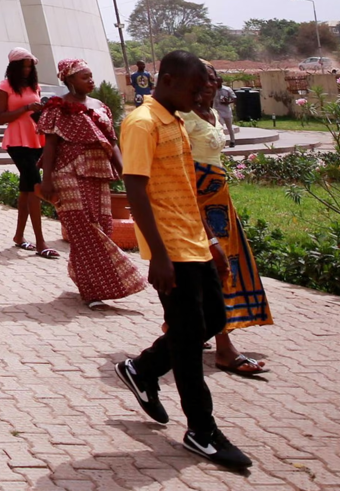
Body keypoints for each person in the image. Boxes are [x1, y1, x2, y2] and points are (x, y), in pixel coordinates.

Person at [115, 50, 252, 470]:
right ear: (170, 80)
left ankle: (143, 369)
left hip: (194, 240)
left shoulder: (174, 120)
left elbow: (187, 187)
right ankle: (202, 431)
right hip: (169, 247)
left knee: (212, 321)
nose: (200, 97)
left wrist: (211, 240)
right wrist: (157, 255)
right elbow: (135, 189)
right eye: (194, 89)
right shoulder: (142, 123)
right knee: (189, 341)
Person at [38, 59, 147, 309]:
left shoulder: (100, 107)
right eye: (84, 77)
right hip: (67, 170)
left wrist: (125, 172)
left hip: (98, 171)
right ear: (69, 79)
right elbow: (51, 145)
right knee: (81, 226)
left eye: (90, 76)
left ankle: (86, 279)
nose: (90, 80)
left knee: (102, 225)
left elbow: (112, 142)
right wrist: (47, 179)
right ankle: (95, 289)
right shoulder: (57, 107)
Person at [184, 63, 271, 375]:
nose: (211, 83)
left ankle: (189, 329)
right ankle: (224, 347)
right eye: (203, 79)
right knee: (215, 267)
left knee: (224, 263)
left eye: (214, 78)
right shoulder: (183, 117)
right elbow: (181, 166)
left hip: (220, 199)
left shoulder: (211, 113)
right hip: (198, 200)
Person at [0, 47, 58, 258]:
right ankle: (41, 242)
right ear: (14, 67)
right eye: (23, 67)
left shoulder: (35, 86)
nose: (27, 70)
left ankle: (19, 236)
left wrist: (42, 109)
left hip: (36, 139)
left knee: (26, 189)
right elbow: (0, 117)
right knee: (35, 187)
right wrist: (25, 108)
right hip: (16, 141)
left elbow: (36, 113)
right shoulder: (4, 87)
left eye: (30, 67)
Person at [213, 76, 238, 148]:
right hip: (217, 111)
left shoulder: (227, 89)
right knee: (220, 127)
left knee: (229, 127)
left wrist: (228, 102)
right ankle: (222, 142)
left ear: (221, 81)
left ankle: (232, 141)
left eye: (218, 81)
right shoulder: (213, 90)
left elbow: (234, 98)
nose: (217, 83)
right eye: (216, 81)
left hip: (226, 111)